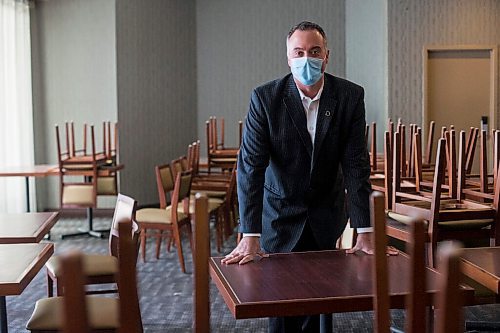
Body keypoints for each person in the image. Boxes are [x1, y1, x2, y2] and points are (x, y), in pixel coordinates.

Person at [222, 21, 374, 332]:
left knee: (323, 304)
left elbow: (357, 166)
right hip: (279, 215)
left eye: (314, 51)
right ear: (289, 58)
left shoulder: (349, 96)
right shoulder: (265, 98)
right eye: (299, 52)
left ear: (327, 56)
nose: (307, 58)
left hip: (327, 213)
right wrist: (249, 235)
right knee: (281, 306)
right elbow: (251, 168)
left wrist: (365, 230)